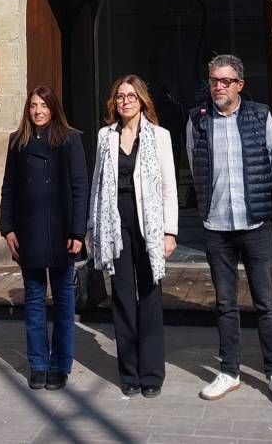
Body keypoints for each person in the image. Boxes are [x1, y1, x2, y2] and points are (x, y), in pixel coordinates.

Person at [187, 55, 272, 408]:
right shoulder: (197, 119)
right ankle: (229, 371)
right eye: (214, 81)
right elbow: (196, 166)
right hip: (216, 226)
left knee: (266, 303)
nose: (218, 87)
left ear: (240, 85)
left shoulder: (260, 115)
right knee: (224, 303)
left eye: (225, 81)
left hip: (255, 224)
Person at [87, 75, 178, 398]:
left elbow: (169, 186)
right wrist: (93, 228)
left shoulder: (159, 136)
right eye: (120, 96)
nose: (125, 101)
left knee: (150, 295)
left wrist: (169, 231)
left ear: (142, 100)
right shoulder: (106, 136)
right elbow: (97, 184)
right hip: (115, 222)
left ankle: (151, 372)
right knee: (123, 296)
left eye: (131, 96)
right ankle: (129, 372)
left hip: (148, 222)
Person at [0, 86, 89, 391]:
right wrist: (7, 228)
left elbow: (80, 187)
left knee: (64, 299)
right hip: (28, 230)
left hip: (63, 231)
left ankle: (61, 364)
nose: (38, 111)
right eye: (33, 105)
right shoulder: (18, 141)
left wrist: (78, 231)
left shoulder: (70, 139)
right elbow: (8, 188)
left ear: (53, 109)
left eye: (44, 105)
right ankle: (38, 363)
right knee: (34, 299)